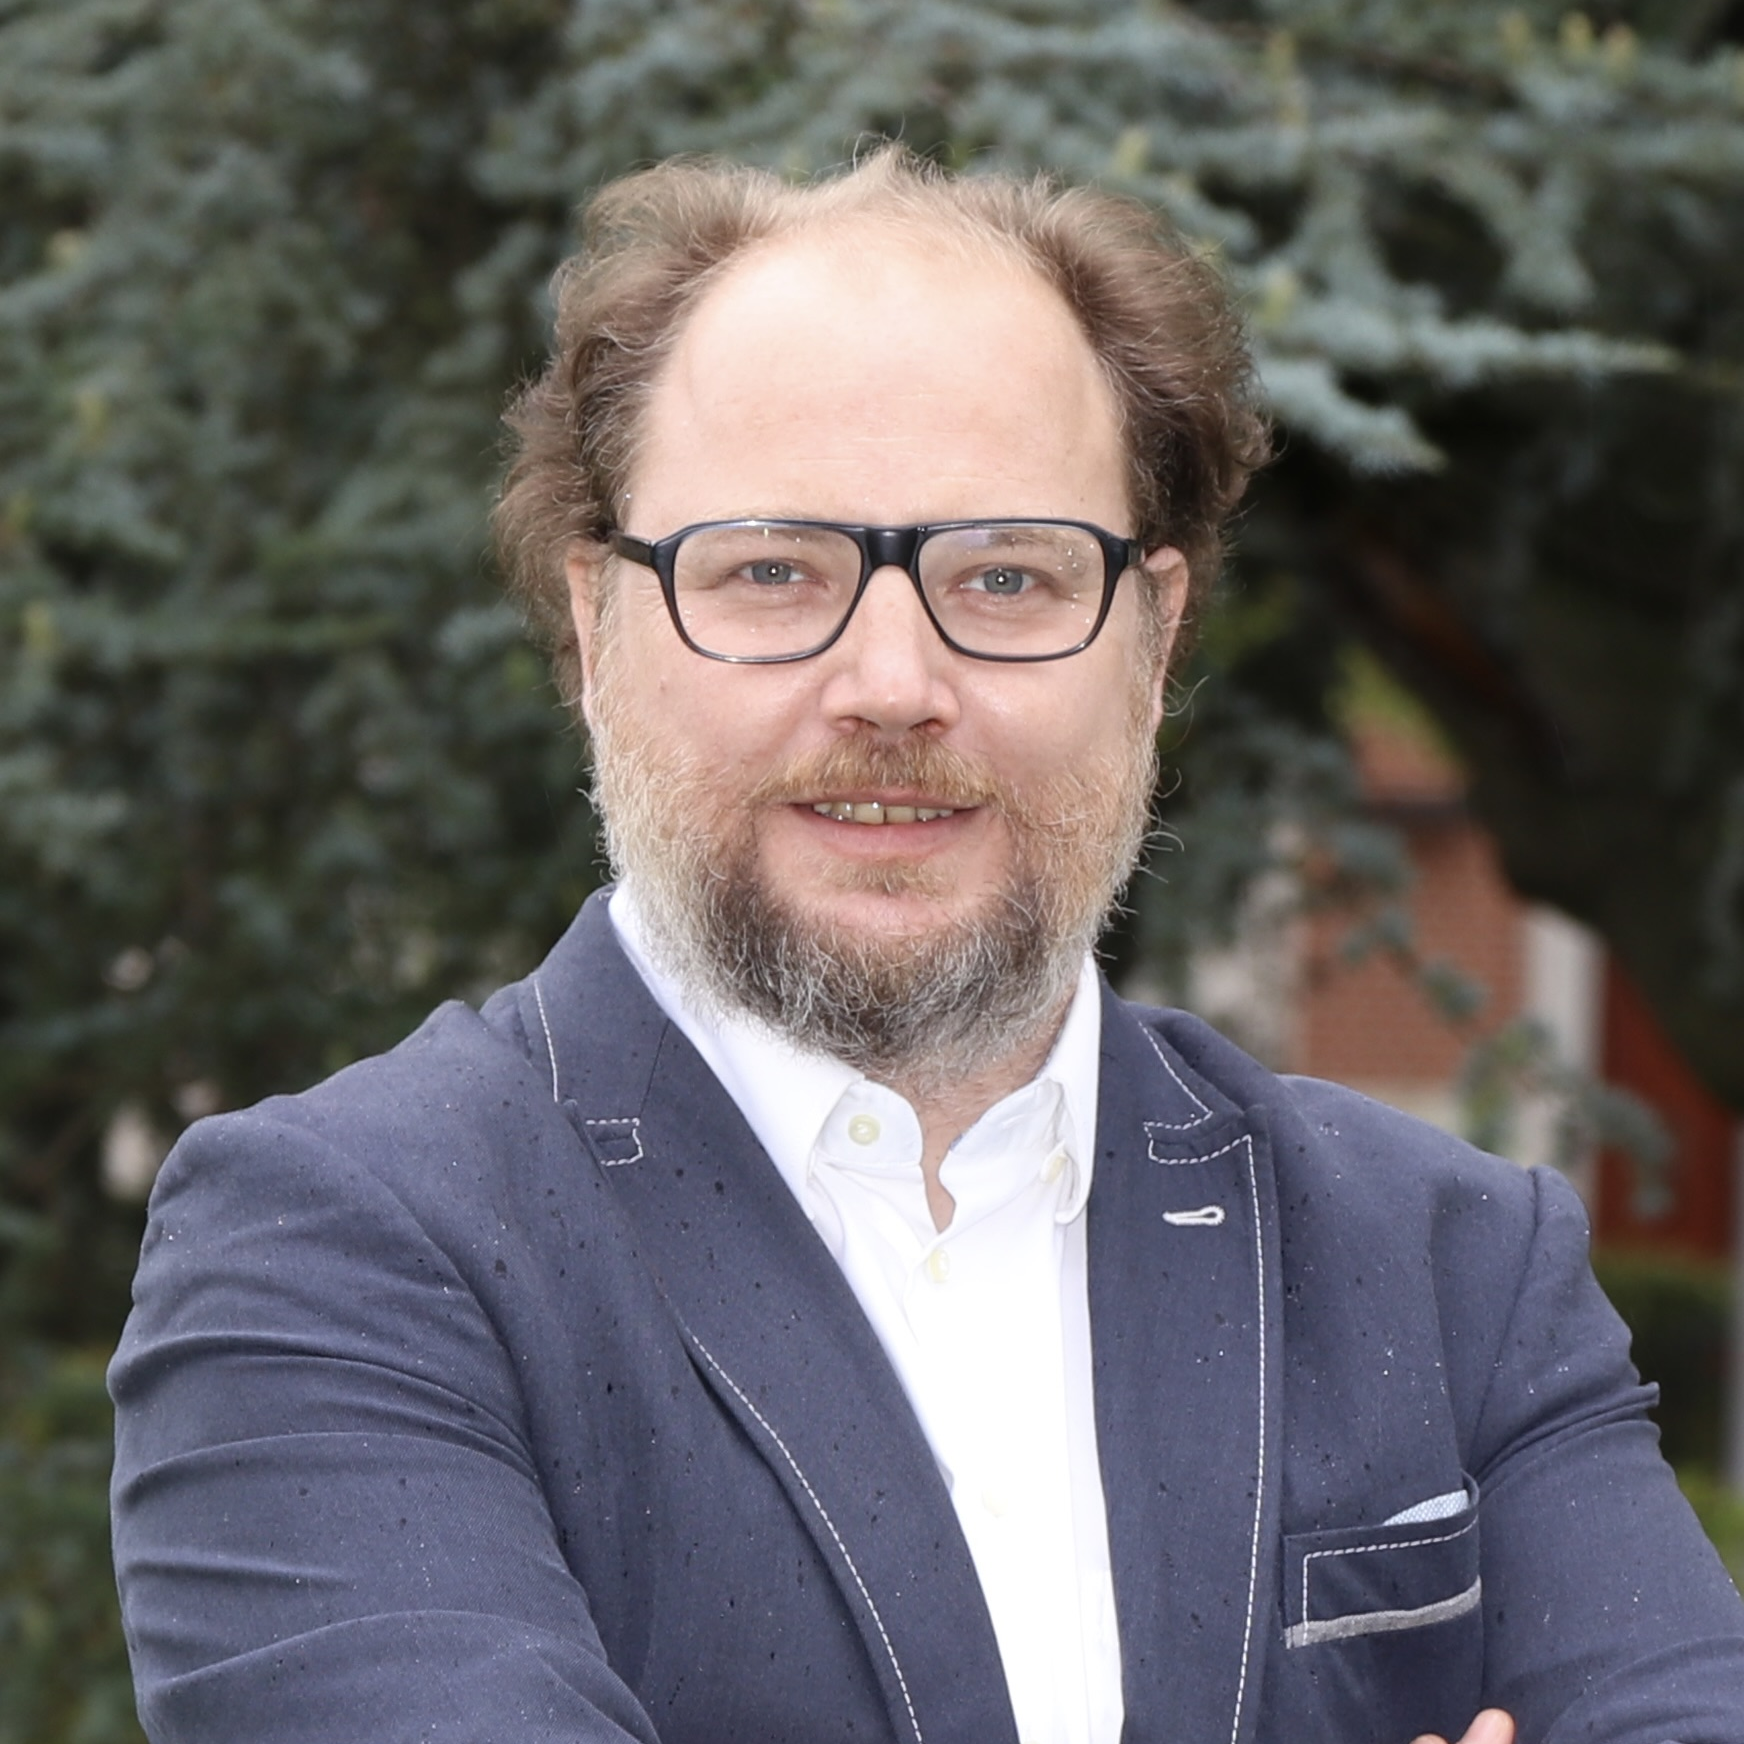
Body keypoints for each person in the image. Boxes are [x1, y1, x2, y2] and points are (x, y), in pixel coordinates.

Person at [108, 147, 1744, 1744]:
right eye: (772, 571)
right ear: (600, 630)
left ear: (1154, 640)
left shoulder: (1451, 1266)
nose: (893, 684)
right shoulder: (338, 1259)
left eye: (1008, 576)